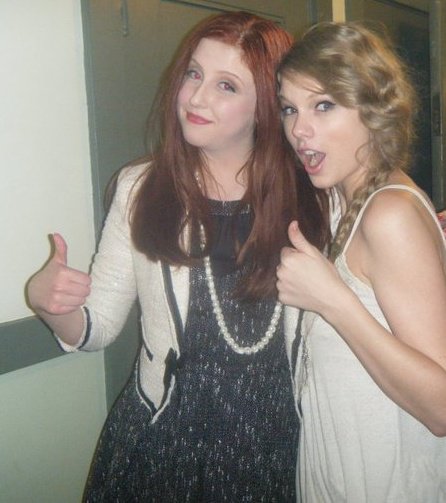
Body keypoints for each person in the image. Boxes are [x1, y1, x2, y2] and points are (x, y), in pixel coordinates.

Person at [27, 11, 328, 502]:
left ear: (266, 106)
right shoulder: (142, 189)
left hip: (279, 445)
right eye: (193, 73)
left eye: (226, 85)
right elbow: (95, 326)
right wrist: (49, 304)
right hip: (163, 438)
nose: (196, 97)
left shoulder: (314, 198)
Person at [276, 22, 446, 502]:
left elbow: (441, 407)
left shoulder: (388, 213)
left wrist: (334, 302)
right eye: (289, 108)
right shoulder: (340, 197)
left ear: (374, 110)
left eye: (323, 105)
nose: (298, 130)